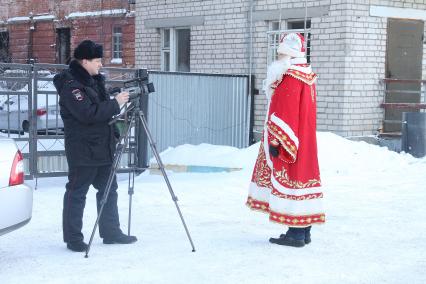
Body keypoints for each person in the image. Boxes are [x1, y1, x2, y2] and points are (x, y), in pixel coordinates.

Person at [53, 40, 137, 252]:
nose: (101, 64)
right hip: (83, 150)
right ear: (84, 61)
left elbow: (102, 113)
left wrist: (114, 132)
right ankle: (73, 239)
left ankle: (111, 232)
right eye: (97, 60)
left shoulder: (93, 82)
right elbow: (88, 114)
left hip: (103, 147)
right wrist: (116, 103)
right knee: (77, 193)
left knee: (109, 190)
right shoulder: (72, 86)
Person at [246, 33, 325, 247]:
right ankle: (303, 231)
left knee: (291, 179)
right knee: (301, 180)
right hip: (304, 139)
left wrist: (276, 143)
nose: (278, 56)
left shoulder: (291, 77)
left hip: (288, 142)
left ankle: (296, 235)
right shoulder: (306, 75)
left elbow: (284, 114)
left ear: (289, 55)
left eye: (281, 53)